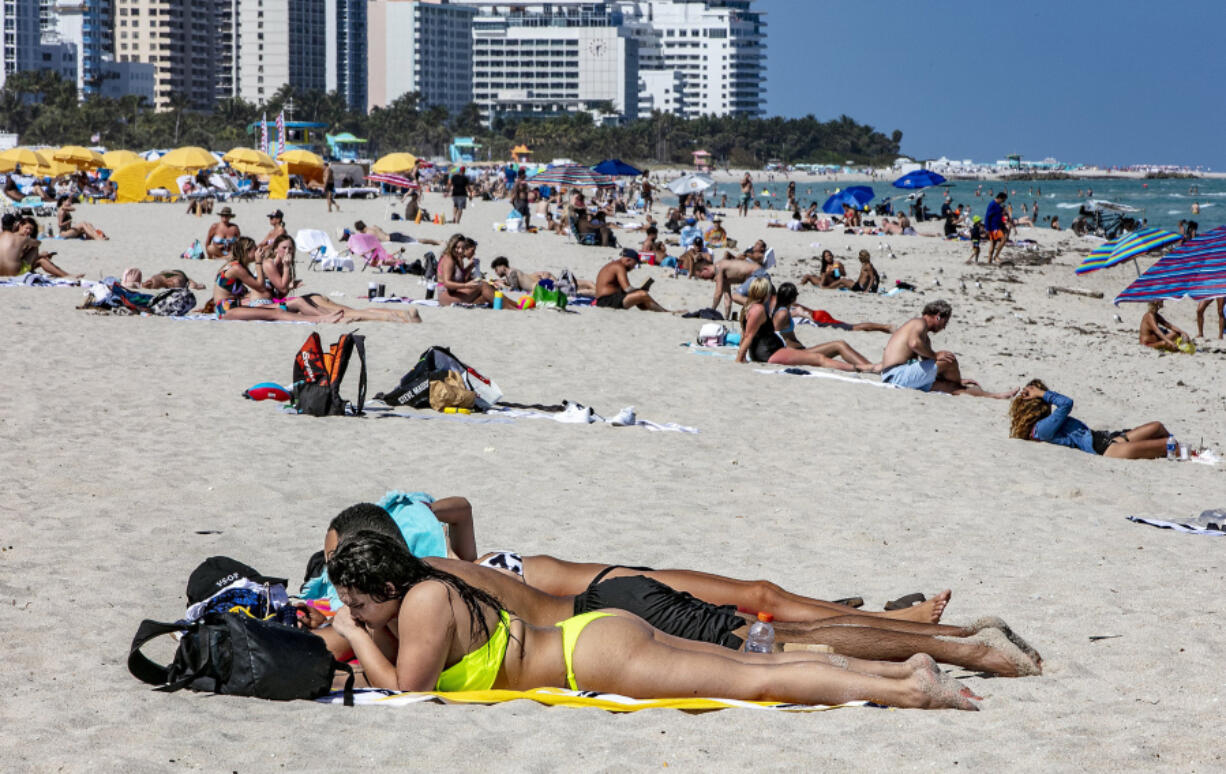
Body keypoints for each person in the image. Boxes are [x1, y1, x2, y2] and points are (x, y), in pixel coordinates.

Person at [311, 504, 1039, 679]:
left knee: (777, 637)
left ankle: (964, 648)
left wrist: (349, 629)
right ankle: (949, 636)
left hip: (613, 609)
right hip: (618, 597)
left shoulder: (422, 591)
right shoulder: (442, 574)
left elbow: (399, 671)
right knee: (769, 623)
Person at [324, 532, 986, 708]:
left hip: (597, 653)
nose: (353, 614)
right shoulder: (440, 579)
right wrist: (363, 626)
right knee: (769, 645)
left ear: (385, 584)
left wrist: (353, 636)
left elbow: (407, 688)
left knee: (761, 669)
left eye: (357, 601)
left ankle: (908, 682)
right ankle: (904, 661)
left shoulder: (421, 606)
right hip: (601, 623)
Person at [878, 300, 1016, 398]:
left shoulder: (925, 337)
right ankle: (959, 381)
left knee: (953, 388)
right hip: (896, 375)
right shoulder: (918, 323)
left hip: (901, 377)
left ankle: (994, 395)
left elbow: (930, 363)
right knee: (949, 359)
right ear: (938, 316)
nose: (944, 327)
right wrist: (935, 354)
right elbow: (914, 344)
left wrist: (956, 380)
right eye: (945, 322)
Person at [1010, 380, 1179, 459]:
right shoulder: (1042, 429)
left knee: (1157, 427)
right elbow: (1066, 404)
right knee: (1168, 445)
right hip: (1104, 450)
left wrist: (1041, 394)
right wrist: (1041, 393)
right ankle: (1194, 455)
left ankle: (1183, 453)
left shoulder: (1043, 425)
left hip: (1106, 439)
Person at [736, 278, 876, 372]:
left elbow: (746, 333)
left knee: (836, 347)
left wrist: (744, 356)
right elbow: (749, 335)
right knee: (821, 358)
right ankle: (864, 368)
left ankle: (868, 367)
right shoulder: (761, 309)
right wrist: (740, 358)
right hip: (769, 353)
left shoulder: (749, 307)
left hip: (769, 351)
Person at [0, 214, 80, 277]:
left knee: (41, 259)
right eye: (27, 228)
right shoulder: (22, 239)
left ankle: (66, 274)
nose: (28, 231)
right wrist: (40, 255)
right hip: (15, 272)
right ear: (20, 226)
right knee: (41, 260)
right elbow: (37, 244)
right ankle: (67, 276)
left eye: (30, 230)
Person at [436, 233, 502, 307]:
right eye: (472, 250)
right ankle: (508, 306)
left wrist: (470, 267)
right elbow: (447, 283)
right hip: (446, 295)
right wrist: (466, 285)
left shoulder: (458, 259)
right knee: (483, 285)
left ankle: (510, 306)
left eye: (462, 248)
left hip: (454, 292)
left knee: (485, 296)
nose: (461, 251)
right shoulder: (449, 259)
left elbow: (462, 279)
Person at [594, 248, 669, 312]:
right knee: (643, 295)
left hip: (606, 300)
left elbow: (623, 290)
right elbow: (627, 289)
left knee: (640, 296)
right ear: (628, 260)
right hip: (607, 301)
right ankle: (664, 311)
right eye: (634, 264)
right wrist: (640, 290)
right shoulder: (619, 266)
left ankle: (655, 310)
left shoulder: (614, 265)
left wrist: (639, 290)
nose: (633, 267)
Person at [711, 240, 770, 317]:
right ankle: (726, 316)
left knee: (735, 296)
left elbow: (751, 257)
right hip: (742, 275)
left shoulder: (760, 255)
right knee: (727, 294)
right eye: (755, 243)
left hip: (755, 276)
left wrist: (745, 254)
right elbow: (739, 258)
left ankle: (758, 307)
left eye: (758, 244)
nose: (755, 245)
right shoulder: (748, 255)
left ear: (762, 248)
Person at [490, 256, 595, 295]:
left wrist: (502, 287)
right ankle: (589, 284)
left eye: (496, 269)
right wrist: (504, 283)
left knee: (571, 292)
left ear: (502, 266)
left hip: (540, 286)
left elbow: (514, 289)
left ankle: (592, 291)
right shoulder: (512, 272)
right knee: (568, 288)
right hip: (540, 284)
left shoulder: (511, 273)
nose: (496, 272)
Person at [985, 193, 1007, 264]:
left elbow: (999, 216)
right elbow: (987, 217)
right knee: (1003, 239)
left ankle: (989, 261)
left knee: (993, 244)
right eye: (1003, 200)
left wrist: (1003, 226)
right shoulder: (992, 204)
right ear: (1000, 198)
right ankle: (996, 256)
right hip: (994, 227)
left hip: (997, 226)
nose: (1004, 201)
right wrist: (987, 229)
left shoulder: (998, 205)